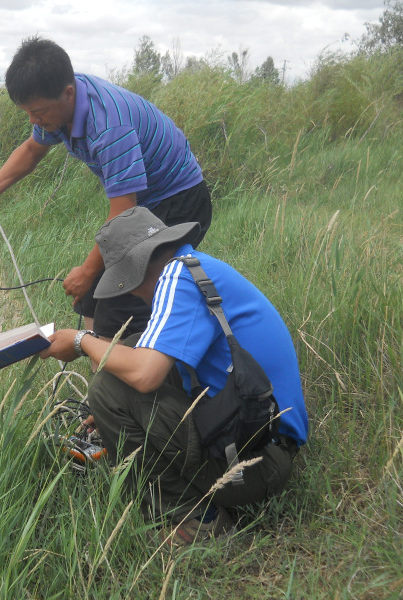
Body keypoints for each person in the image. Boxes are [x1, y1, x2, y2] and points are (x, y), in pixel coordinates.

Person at [39, 207, 309, 545]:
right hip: (267, 447)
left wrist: (80, 340)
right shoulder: (197, 268)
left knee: (108, 387)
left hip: (255, 465)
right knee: (134, 350)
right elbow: (160, 365)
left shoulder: (177, 278)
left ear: (136, 269)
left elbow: (145, 375)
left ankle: (195, 520)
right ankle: (192, 505)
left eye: (127, 283)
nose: (131, 293)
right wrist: (116, 418)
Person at [0, 36, 212, 341]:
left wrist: (87, 270)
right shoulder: (58, 105)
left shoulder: (109, 126)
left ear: (68, 94)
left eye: (38, 112)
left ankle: (142, 376)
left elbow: (124, 215)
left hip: (178, 201)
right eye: (27, 111)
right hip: (143, 204)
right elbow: (31, 150)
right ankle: (99, 376)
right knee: (91, 298)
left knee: (124, 304)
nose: (33, 120)